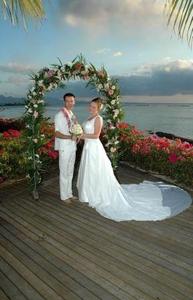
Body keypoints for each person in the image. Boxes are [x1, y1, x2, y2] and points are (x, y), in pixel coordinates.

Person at [77, 97, 192, 221]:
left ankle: (97, 193)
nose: (91, 108)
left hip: (94, 149)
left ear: (99, 108)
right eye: (90, 106)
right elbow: (88, 134)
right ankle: (89, 192)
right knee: (90, 171)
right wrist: (79, 135)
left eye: (93, 107)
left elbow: (95, 135)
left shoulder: (98, 118)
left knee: (96, 170)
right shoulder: (89, 118)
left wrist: (81, 135)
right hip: (88, 148)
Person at [54, 93, 77, 204]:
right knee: (64, 172)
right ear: (64, 102)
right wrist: (69, 137)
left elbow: (74, 129)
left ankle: (69, 193)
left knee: (70, 171)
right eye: (68, 101)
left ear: (74, 102)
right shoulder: (60, 115)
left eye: (72, 101)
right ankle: (64, 196)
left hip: (72, 146)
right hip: (64, 147)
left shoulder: (72, 114)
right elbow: (57, 133)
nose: (70, 103)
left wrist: (77, 136)